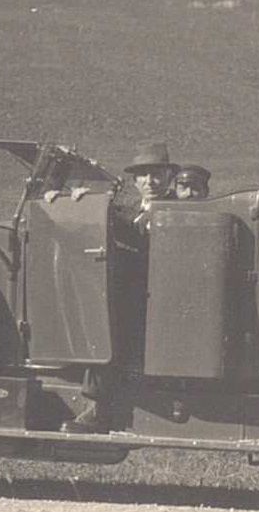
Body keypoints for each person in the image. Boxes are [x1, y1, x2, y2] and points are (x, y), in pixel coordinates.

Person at [63, 141, 175, 433]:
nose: (150, 181)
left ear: (168, 177)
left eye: (156, 174)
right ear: (135, 181)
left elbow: (140, 238)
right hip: (136, 292)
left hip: (156, 297)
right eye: (143, 175)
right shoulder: (138, 209)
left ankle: (99, 408)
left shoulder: (174, 208)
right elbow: (124, 226)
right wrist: (84, 203)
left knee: (105, 325)